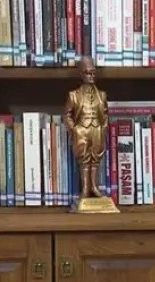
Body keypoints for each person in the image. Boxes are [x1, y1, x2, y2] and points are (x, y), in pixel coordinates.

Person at [63, 55, 108, 198]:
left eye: (93, 72)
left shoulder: (102, 95)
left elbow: (105, 114)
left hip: (96, 129)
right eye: (88, 73)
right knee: (83, 159)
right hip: (82, 129)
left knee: (96, 159)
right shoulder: (73, 95)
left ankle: (94, 187)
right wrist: (75, 130)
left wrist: (103, 129)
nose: (91, 76)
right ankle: (85, 189)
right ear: (81, 74)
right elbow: (67, 115)